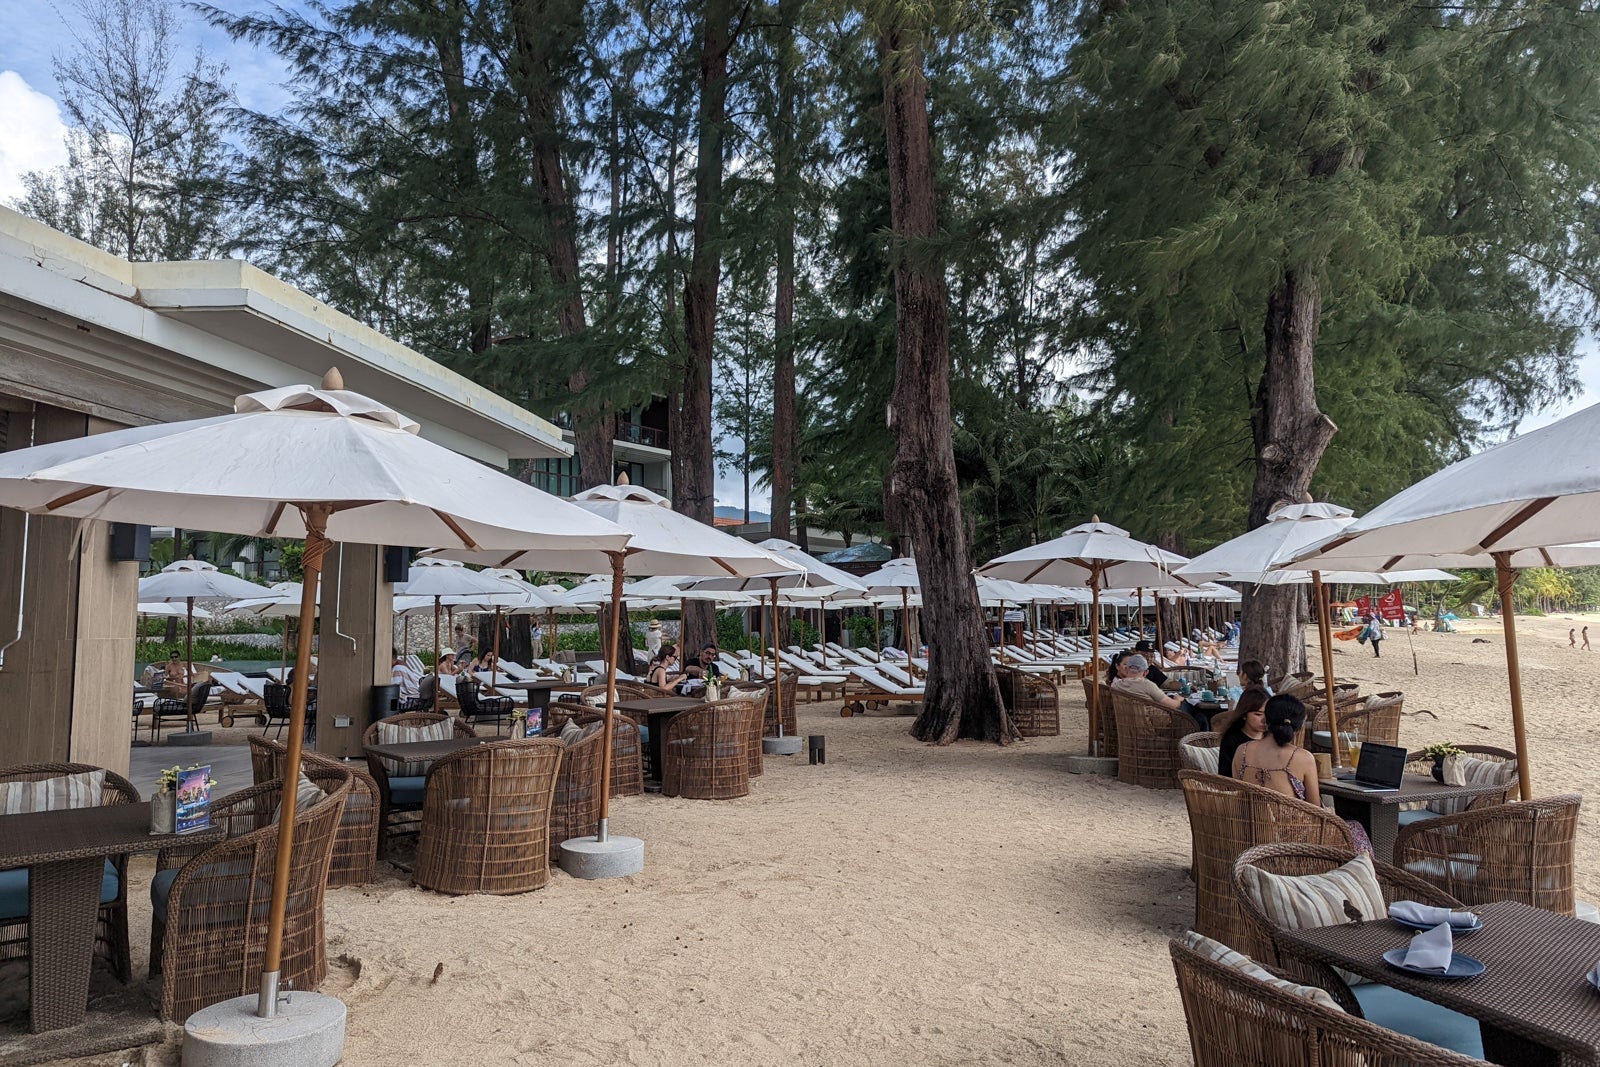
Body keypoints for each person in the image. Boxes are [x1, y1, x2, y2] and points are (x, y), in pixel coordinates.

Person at [1233, 694, 1372, 853]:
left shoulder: (1242, 751)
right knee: (1356, 828)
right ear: (1298, 728)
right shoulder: (1302, 758)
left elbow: (1238, 796)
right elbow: (1315, 810)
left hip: (1249, 835)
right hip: (1291, 844)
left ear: (1267, 720)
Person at [1111, 653, 1206, 727]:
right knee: (1200, 716)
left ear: (1127, 669)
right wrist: (1179, 699)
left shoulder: (1116, 685)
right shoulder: (1147, 685)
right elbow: (1174, 706)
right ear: (1146, 672)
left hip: (1131, 725)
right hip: (1158, 726)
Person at [1211, 687, 1269, 781]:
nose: (1264, 720)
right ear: (1244, 714)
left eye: (1268, 714)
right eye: (1258, 714)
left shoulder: (1271, 736)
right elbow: (1225, 776)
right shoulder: (1232, 739)